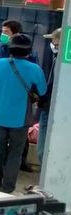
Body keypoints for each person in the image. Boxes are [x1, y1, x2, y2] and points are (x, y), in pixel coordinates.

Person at [0, 34, 46, 194]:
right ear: (28, 51)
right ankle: (7, 188)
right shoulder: (35, 69)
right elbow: (42, 91)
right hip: (20, 118)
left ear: (10, 49)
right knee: (15, 152)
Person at [0, 20, 38, 173]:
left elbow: (35, 75)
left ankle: (19, 162)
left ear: (16, 33)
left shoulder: (29, 52)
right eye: (2, 31)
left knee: (20, 135)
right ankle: (1, 172)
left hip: (20, 98)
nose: (3, 35)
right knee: (0, 136)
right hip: (1, 96)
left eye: (6, 32)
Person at [37, 28, 60, 165]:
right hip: (46, 107)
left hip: (56, 109)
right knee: (42, 151)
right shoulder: (53, 58)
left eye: (55, 42)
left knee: (47, 149)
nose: (52, 45)